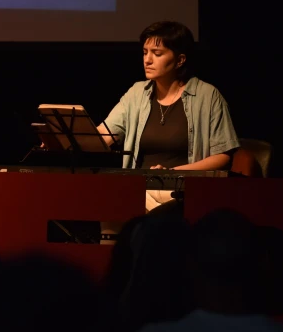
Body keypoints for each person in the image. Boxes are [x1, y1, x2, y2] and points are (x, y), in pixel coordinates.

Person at [97, 21, 240, 210]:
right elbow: (104, 136)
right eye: (145, 52)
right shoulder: (137, 93)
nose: (147, 60)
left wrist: (171, 173)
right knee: (106, 197)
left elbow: (222, 156)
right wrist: (64, 139)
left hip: (183, 191)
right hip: (141, 187)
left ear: (180, 60)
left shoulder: (207, 96)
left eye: (157, 54)